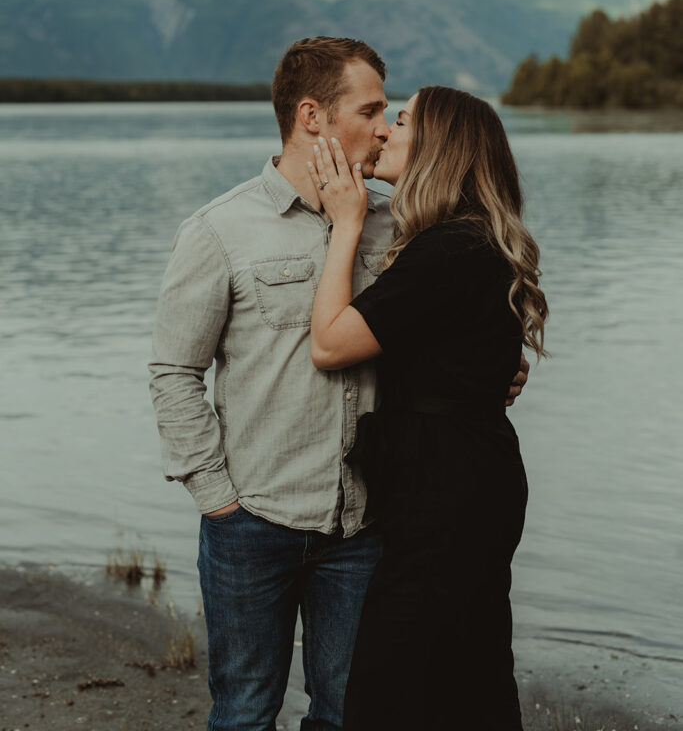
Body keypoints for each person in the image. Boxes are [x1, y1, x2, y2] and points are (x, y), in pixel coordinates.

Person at [149, 41, 528, 731]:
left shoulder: (402, 225)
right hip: (253, 518)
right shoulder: (220, 230)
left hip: (365, 523)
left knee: (348, 713)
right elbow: (175, 371)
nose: (384, 127)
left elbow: (446, 324)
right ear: (311, 116)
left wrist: (492, 373)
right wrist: (216, 498)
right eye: (372, 110)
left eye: (392, 114)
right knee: (242, 713)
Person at [308, 86, 547, 731]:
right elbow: (463, 353)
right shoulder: (464, 240)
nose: (384, 131)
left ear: (439, 148)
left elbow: (330, 344)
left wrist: (347, 223)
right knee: (465, 672)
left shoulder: (449, 247)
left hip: (450, 497)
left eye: (403, 120)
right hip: (462, 481)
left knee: (395, 690)